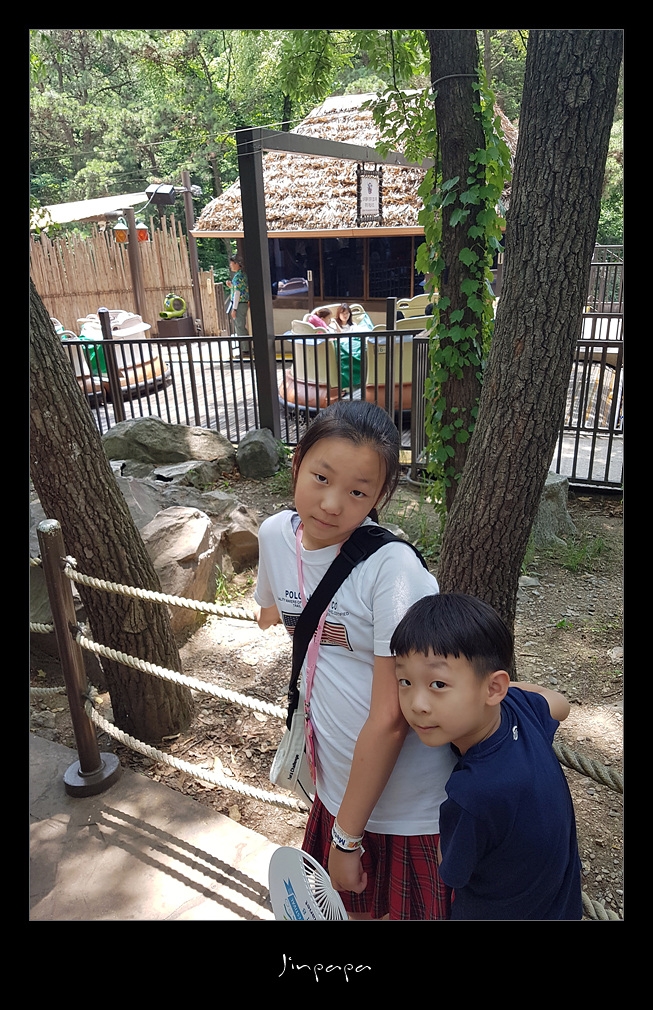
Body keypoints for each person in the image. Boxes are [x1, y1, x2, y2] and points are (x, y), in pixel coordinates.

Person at [255, 401, 456, 920]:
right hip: (335, 789)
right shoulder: (275, 535)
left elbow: (392, 718)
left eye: (358, 493)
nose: (331, 504)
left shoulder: (394, 571)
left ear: (380, 497)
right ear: (297, 462)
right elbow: (271, 609)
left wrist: (346, 839)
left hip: (410, 809)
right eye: (321, 477)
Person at [390, 592, 583, 920]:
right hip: (560, 908)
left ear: (494, 688)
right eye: (405, 681)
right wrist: (493, 690)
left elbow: (451, 869)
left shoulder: (473, 793)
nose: (417, 704)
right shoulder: (519, 709)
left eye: (438, 684)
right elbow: (560, 704)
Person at [226, 257, 249, 335]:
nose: (230, 265)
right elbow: (241, 290)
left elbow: (237, 293)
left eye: (231, 263)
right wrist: (232, 286)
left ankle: (244, 343)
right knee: (241, 326)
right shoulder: (242, 274)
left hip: (239, 304)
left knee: (239, 328)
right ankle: (246, 343)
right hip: (243, 303)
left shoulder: (238, 277)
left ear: (236, 264)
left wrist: (234, 309)